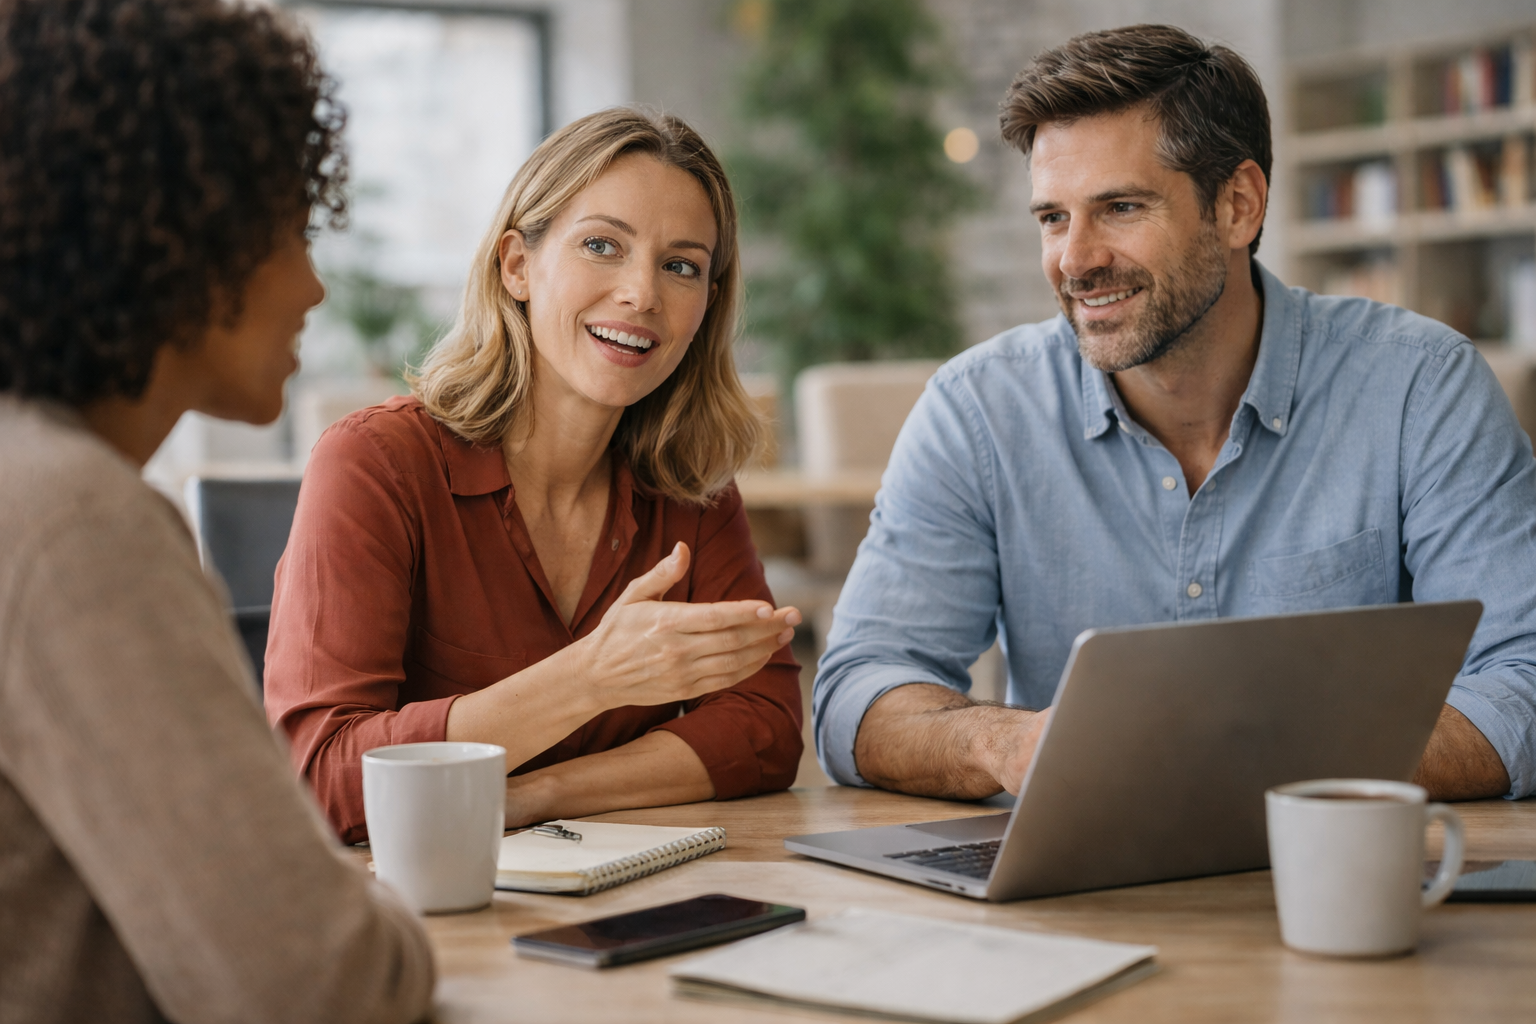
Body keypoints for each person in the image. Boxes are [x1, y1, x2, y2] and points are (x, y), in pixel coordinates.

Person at [814, 24, 1535, 804]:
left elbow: (1522, 681)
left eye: (1120, 208)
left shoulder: (1420, 387)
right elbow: (859, 692)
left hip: (1343, 878)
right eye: (1053, 218)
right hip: (1076, 897)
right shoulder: (977, 410)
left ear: (1239, 205)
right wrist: (1008, 743)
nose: (1076, 260)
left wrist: (1246, 765)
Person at [0, 1, 434, 1022]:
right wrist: (404, 930)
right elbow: (316, 981)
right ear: (180, 232)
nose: (314, 286)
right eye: (289, 231)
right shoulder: (77, 527)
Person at [264, 108, 804, 844]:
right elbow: (321, 777)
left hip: (626, 896)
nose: (641, 293)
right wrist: (591, 679)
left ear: (707, 304)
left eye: (681, 266)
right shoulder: (378, 465)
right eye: (602, 246)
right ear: (517, 266)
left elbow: (765, 729)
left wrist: (534, 795)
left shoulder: (692, 487)